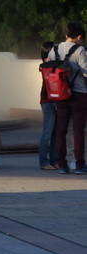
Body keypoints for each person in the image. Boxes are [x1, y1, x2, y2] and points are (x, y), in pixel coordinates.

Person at [48, 21, 87, 174]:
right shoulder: (80, 50)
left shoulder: (54, 49)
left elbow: (49, 69)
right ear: (79, 37)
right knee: (78, 130)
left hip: (60, 94)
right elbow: (85, 72)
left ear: (66, 35)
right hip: (79, 93)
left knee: (61, 130)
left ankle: (62, 164)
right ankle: (79, 164)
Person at [37, 40, 57, 170]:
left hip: (53, 100)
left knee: (55, 132)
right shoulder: (47, 64)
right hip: (48, 100)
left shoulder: (49, 63)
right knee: (48, 132)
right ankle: (44, 162)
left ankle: (54, 161)